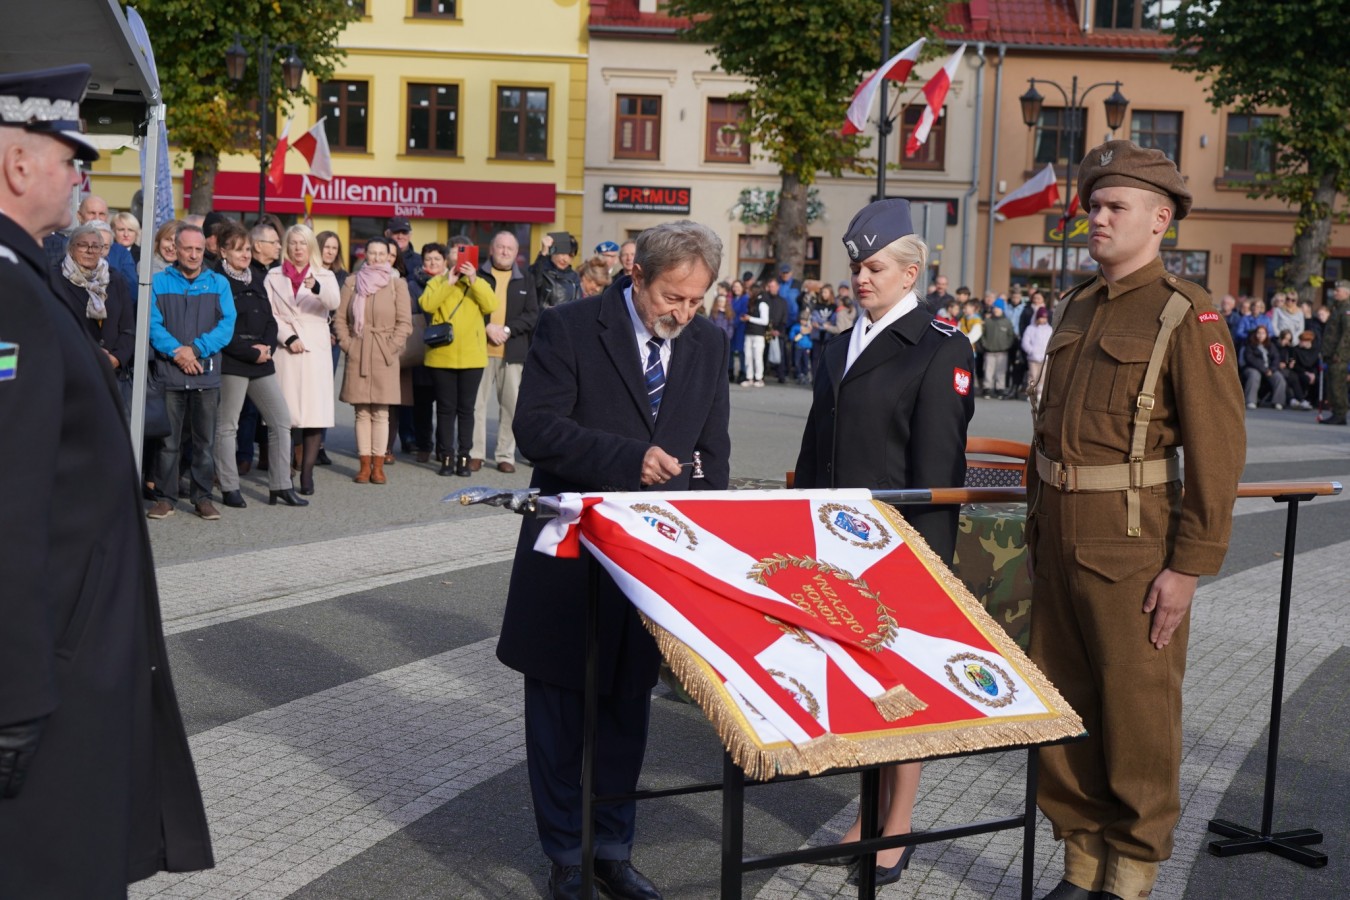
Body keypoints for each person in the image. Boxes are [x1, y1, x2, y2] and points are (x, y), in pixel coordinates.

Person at [0, 64, 214, 894]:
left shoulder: (26, 279)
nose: (80, 176)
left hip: (62, 657)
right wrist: (14, 699)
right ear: (20, 165)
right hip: (48, 675)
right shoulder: (11, 295)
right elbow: (8, 505)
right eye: (69, 157)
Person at [1026, 141, 1245, 900]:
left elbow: (1218, 453)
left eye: (1114, 207)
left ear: (1160, 220)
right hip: (1059, 540)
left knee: (1138, 714)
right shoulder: (1078, 305)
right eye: (1093, 205)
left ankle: (1131, 876)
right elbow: (1047, 430)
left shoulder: (1187, 314)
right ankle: (1080, 866)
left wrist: (1188, 567)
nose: (1097, 218)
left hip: (1131, 549)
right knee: (1064, 706)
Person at [498, 221, 731, 900]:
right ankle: (567, 854)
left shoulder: (708, 344)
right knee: (561, 711)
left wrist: (704, 540)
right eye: (671, 298)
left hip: (652, 561)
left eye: (696, 301)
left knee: (629, 705)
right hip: (571, 555)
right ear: (637, 276)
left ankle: (612, 848)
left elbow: (712, 452)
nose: (683, 314)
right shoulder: (569, 327)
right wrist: (630, 460)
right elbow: (537, 430)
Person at [794, 198, 974, 889]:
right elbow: (816, 456)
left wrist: (930, 568)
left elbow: (938, 473)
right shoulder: (840, 344)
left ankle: (896, 825)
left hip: (899, 553)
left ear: (909, 273)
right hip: (835, 549)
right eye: (856, 266)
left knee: (901, 691)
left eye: (874, 267)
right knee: (863, 692)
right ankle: (867, 814)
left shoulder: (940, 345)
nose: (860, 278)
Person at [145, 223, 237, 521]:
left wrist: (194, 350)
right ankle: (165, 498)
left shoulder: (218, 283)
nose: (194, 254)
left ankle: (203, 498)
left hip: (205, 374)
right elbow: (152, 324)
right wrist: (178, 353)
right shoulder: (158, 282)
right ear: (176, 249)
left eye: (199, 249)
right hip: (171, 375)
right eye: (188, 248)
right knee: (168, 444)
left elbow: (226, 326)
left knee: (204, 443)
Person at [211, 221, 306, 508]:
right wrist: (250, 351)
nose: (245, 254)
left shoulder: (255, 277)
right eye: (238, 249)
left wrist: (265, 346)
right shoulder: (215, 280)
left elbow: (269, 318)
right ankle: (229, 487)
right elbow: (218, 326)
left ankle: (281, 485)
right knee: (228, 426)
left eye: (248, 249)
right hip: (233, 360)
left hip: (261, 359)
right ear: (223, 252)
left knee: (280, 420)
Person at [266, 224, 342, 494]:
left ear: (311, 247)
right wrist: (287, 337)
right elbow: (270, 312)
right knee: (284, 414)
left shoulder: (325, 274)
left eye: (302, 243)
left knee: (313, 413)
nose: (298, 248)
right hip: (286, 350)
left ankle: (307, 473)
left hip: (314, 351)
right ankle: (284, 469)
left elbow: (334, 301)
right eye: (293, 243)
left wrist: (317, 286)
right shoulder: (273, 275)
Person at [334, 237, 413, 485]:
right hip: (359, 350)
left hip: (384, 353)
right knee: (361, 412)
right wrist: (349, 345)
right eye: (373, 253)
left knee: (381, 412)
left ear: (390, 257)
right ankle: (364, 465)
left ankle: (378, 467)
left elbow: (405, 323)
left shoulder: (396, 284)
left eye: (383, 253)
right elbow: (339, 320)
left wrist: (391, 348)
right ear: (364, 255)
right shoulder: (352, 282)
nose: (378, 258)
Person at [421, 235, 497, 476]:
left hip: (472, 357)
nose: (459, 257)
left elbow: (491, 305)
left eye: (464, 253)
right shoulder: (438, 281)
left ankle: (464, 456)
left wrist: (473, 279)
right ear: (448, 257)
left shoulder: (480, 282)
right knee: (445, 409)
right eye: (455, 252)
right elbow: (427, 305)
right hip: (442, 356)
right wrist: (449, 283)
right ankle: (446, 457)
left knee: (467, 410)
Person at [471, 230, 539, 473]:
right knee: (476, 405)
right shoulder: (478, 275)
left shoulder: (526, 279)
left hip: (512, 353)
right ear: (491, 249)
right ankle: (475, 453)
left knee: (510, 406)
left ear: (516, 253)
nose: (504, 252)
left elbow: (532, 314)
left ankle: (504, 455)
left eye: (510, 248)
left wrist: (508, 330)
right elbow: (468, 309)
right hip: (478, 351)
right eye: (500, 247)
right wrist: (486, 327)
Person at [51, 222, 136, 412]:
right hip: (73, 370)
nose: (90, 250)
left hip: (111, 373)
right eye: (83, 245)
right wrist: (90, 355)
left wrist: (116, 358)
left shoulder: (116, 280)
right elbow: (54, 327)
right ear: (71, 249)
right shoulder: (55, 279)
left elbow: (128, 328)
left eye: (96, 246)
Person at [1320, 279, 1349, 425]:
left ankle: (1340, 413)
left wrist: (1340, 353)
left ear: (1346, 292)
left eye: (1338, 291)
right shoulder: (1337, 307)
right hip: (1331, 353)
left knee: (1338, 384)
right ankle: (1336, 412)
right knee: (1332, 383)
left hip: (1339, 355)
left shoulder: (1347, 308)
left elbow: (1347, 333)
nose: (1335, 293)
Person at [1239, 325, 1288, 409]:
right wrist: (1264, 369)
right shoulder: (1250, 345)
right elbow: (1251, 359)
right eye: (1259, 333)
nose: (1261, 335)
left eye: (1263, 333)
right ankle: (1251, 401)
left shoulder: (1271, 345)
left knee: (1279, 378)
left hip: (1269, 369)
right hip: (1253, 368)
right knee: (1254, 375)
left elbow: (1276, 358)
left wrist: (1272, 369)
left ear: (1266, 335)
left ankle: (1278, 402)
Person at [534, 231, 584, 308]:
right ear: (553, 251)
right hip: (543, 318)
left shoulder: (574, 277)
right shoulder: (541, 270)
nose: (565, 259)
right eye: (563, 254)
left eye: (570, 256)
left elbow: (578, 305)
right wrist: (543, 253)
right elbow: (534, 280)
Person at [980, 299, 1017, 398]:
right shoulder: (988, 321)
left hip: (1002, 351)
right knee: (988, 370)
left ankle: (1000, 388)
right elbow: (983, 335)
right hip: (989, 351)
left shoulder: (1007, 322)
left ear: (1002, 310)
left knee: (1001, 371)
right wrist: (985, 344)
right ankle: (987, 388)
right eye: (995, 308)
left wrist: (1007, 345)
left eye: (998, 308)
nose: (996, 310)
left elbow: (1011, 335)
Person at [1021, 306, 1053, 404]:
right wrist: (1031, 351)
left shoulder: (1049, 329)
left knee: (1042, 376)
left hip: (1045, 358)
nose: (1043, 319)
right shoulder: (1030, 328)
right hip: (1033, 357)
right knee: (1032, 376)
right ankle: (1031, 393)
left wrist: (1048, 352)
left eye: (1045, 317)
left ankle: (1040, 393)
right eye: (1041, 317)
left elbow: (1051, 341)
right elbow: (1025, 342)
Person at [740, 285, 769, 387]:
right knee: (748, 356)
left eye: (750, 291)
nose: (748, 293)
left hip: (758, 334)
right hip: (749, 333)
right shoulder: (751, 302)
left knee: (757, 357)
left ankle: (759, 378)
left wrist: (750, 319)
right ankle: (749, 377)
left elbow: (765, 321)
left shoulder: (763, 304)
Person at [789, 307, 814, 384]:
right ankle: (799, 374)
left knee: (806, 362)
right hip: (798, 347)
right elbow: (792, 335)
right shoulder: (796, 327)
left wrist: (810, 346)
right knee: (797, 362)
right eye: (802, 320)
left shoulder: (809, 328)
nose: (803, 322)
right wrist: (796, 336)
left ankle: (805, 374)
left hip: (806, 348)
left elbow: (811, 338)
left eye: (805, 320)